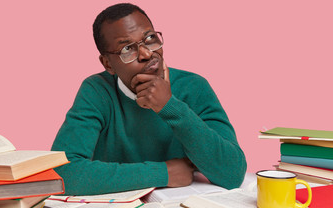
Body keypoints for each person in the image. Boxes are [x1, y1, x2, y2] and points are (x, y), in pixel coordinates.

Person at [51, 3, 247, 195]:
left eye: (150, 38)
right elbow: (62, 173)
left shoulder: (193, 87)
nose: (146, 53)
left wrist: (170, 107)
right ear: (108, 64)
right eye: (127, 49)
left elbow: (233, 173)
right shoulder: (96, 91)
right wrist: (163, 173)